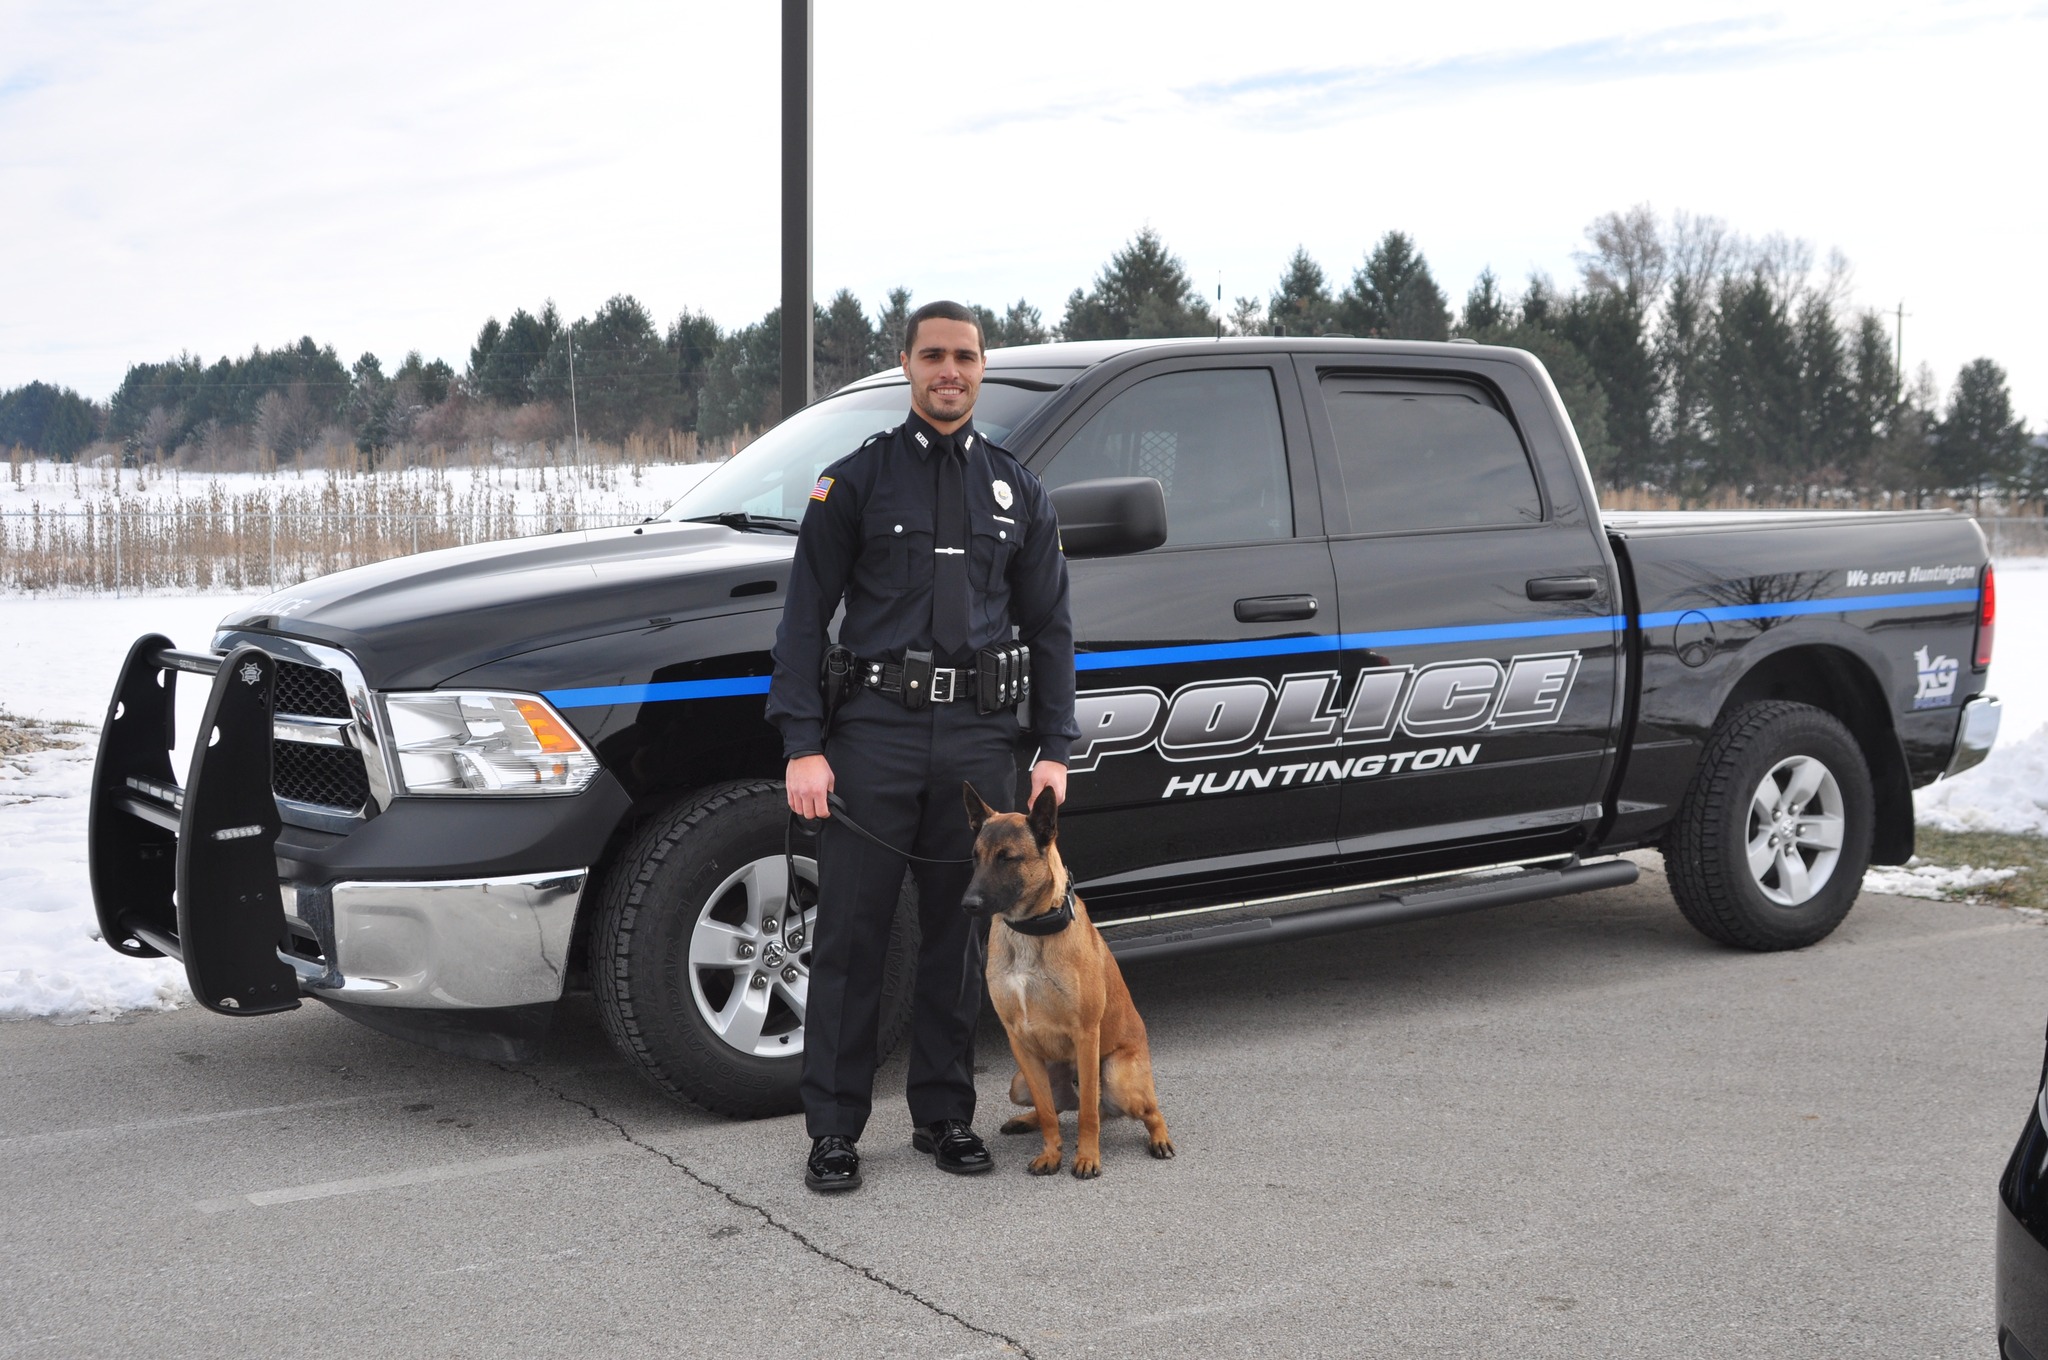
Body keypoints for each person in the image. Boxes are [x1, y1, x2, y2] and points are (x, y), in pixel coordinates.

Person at [766, 300, 1078, 1193]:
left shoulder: (1018, 490)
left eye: (966, 357)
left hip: (983, 744)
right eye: (934, 355)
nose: (951, 371)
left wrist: (1053, 746)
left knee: (960, 935)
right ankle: (833, 1129)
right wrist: (803, 744)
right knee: (852, 939)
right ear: (906, 364)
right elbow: (801, 621)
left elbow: (1052, 627)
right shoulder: (855, 482)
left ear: (984, 368)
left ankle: (944, 1118)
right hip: (875, 735)